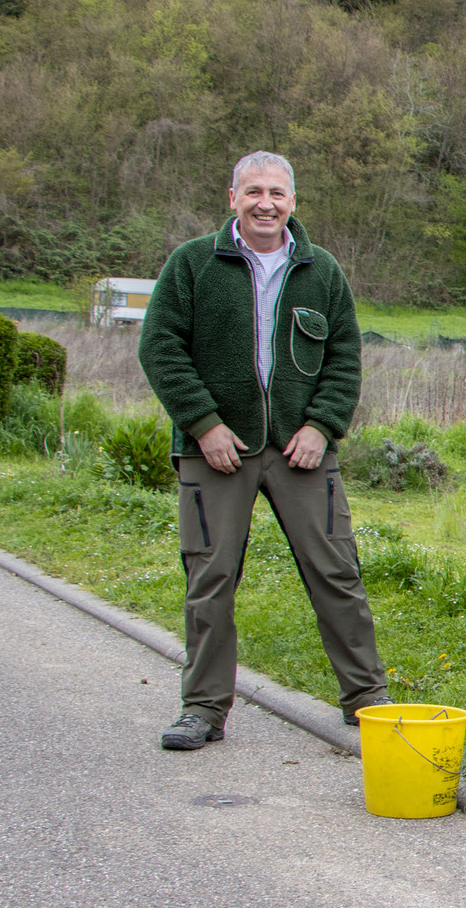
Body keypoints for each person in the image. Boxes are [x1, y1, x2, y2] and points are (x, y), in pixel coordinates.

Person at [139, 151, 392, 749]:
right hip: (216, 450)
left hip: (301, 449)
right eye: (253, 191)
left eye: (277, 193)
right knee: (211, 576)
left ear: (293, 203)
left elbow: (344, 357)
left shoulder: (321, 271)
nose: (265, 203)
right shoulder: (193, 264)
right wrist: (203, 424)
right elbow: (161, 348)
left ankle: (366, 697)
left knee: (336, 569)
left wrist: (322, 425)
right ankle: (202, 709)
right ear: (232, 198)